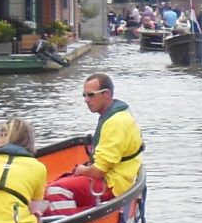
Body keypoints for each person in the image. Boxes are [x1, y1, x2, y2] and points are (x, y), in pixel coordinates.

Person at [48, 72, 142, 208]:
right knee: (53, 184)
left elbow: (98, 171)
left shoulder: (115, 122)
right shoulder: (119, 115)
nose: (86, 100)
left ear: (107, 94)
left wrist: (82, 170)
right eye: (84, 95)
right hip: (117, 177)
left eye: (91, 95)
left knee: (54, 190)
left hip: (113, 184)